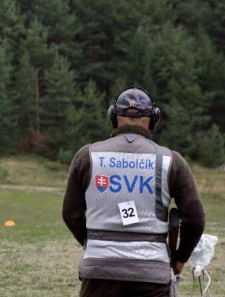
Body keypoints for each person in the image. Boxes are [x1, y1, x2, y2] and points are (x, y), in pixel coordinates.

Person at [62, 86, 206, 297]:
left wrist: (91, 242)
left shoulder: (87, 156)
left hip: (99, 271)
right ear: (154, 119)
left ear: (113, 116)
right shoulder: (171, 160)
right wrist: (180, 259)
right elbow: (195, 220)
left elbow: (70, 214)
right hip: (152, 275)